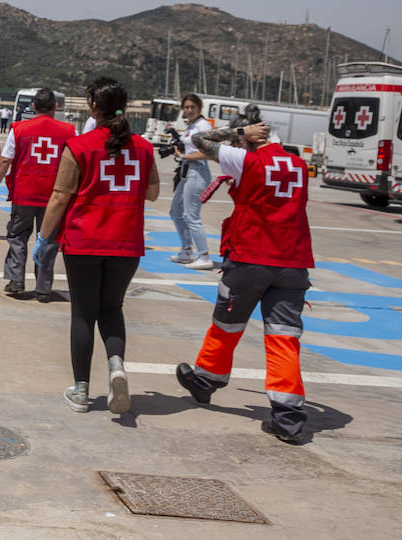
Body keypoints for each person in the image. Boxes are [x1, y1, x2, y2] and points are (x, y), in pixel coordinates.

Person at [177, 108, 314, 444]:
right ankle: (288, 417)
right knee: (284, 336)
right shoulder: (298, 165)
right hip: (292, 262)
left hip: (251, 256)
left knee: (227, 323)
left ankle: (206, 381)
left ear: (253, 139)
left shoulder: (245, 159)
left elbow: (196, 139)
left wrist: (237, 134)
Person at [35, 77, 158, 415]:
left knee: (84, 315)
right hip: (126, 243)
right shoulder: (144, 148)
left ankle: (81, 390)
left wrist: (44, 238)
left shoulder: (80, 145)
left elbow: (60, 196)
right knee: (112, 308)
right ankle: (116, 366)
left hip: (84, 240)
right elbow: (152, 192)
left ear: (92, 106)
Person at [0, 87, 73, 300]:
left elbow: (5, 160)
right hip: (55, 197)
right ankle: (43, 288)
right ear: (56, 107)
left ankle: (16, 280)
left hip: (24, 193)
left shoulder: (19, 129)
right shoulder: (69, 131)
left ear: (33, 106)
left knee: (18, 236)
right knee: (49, 240)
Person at [169, 93, 215, 270]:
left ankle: (204, 256)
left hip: (198, 171)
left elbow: (209, 153)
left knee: (191, 215)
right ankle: (187, 250)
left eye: (192, 107)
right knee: (175, 211)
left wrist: (184, 155)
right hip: (187, 170)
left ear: (199, 108)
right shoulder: (192, 125)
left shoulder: (203, 126)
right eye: (186, 107)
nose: (189, 110)